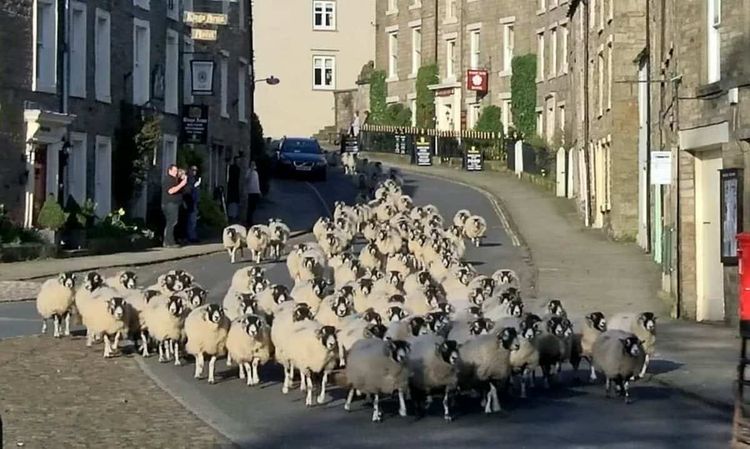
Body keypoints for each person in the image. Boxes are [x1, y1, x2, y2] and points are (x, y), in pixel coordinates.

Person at [162, 164, 187, 248]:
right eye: (174, 171)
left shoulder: (174, 179)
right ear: (169, 171)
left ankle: (171, 240)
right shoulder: (168, 179)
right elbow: (171, 191)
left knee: (173, 222)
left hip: (174, 204)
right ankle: (168, 242)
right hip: (170, 204)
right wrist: (181, 184)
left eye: (176, 171)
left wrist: (182, 180)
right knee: (171, 222)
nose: (176, 173)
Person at [185, 166, 202, 243]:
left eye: (196, 170)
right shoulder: (189, 179)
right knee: (191, 220)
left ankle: (193, 236)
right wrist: (194, 186)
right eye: (193, 170)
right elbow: (188, 190)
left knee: (193, 220)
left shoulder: (194, 179)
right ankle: (191, 237)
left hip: (195, 202)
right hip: (191, 202)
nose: (194, 172)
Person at [245, 161, 262, 227]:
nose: (253, 165)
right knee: (250, 207)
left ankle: (250, 219)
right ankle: (249, 221)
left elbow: (257, 183)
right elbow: (246, 179)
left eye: (254, 164)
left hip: (256, 191)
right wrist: (251, 171)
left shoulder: (256, 173)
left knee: (254, 207)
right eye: (252, 164)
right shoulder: (249, 171)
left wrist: (259, 191)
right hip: (251, 192)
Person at [227, 156, 241, 223]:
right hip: (232, 187)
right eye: (237, 161)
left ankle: (233, 216)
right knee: (233, 202)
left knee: (234, 202)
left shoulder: (237, 168)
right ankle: (232, 216)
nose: (238, 162)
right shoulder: (233, 168)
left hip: (234, 187)